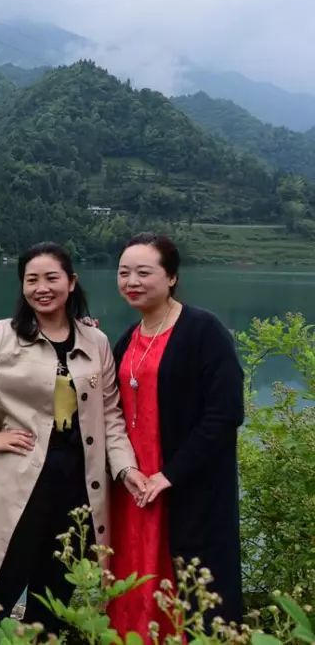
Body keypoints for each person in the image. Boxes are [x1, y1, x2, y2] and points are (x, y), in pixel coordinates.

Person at [0, 242, 146, 632]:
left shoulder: (95, 341)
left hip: (79, 483)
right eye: (31, 280)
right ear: (22, 286)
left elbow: (111, 415)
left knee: (55, 591)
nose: (42, 288)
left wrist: (125, 468)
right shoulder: (4, 336)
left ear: (71, 282)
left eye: (52, 278)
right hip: (23, 479)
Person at [109, 233, 244, 636]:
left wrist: (170, 475)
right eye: (124, 273)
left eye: (143, 272)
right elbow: (111, 412)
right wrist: (127, 470)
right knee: (134, 574)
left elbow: (225, 414)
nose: (131, 281)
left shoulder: (204, 331)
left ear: (171, 277)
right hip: (136, 485)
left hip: (185, 484)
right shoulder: (127, 339)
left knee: (195, 586)